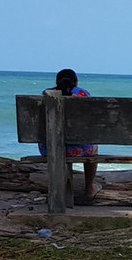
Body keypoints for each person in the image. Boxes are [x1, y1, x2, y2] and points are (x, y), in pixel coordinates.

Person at [38, 68, 101, 200]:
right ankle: (89, 188)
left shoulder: (46, 93)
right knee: (93, 147)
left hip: (49, 148)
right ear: (76, 82)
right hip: (78, 150)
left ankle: (58, 192)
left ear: (56, 82)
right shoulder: (83, 94)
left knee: (56, 144)